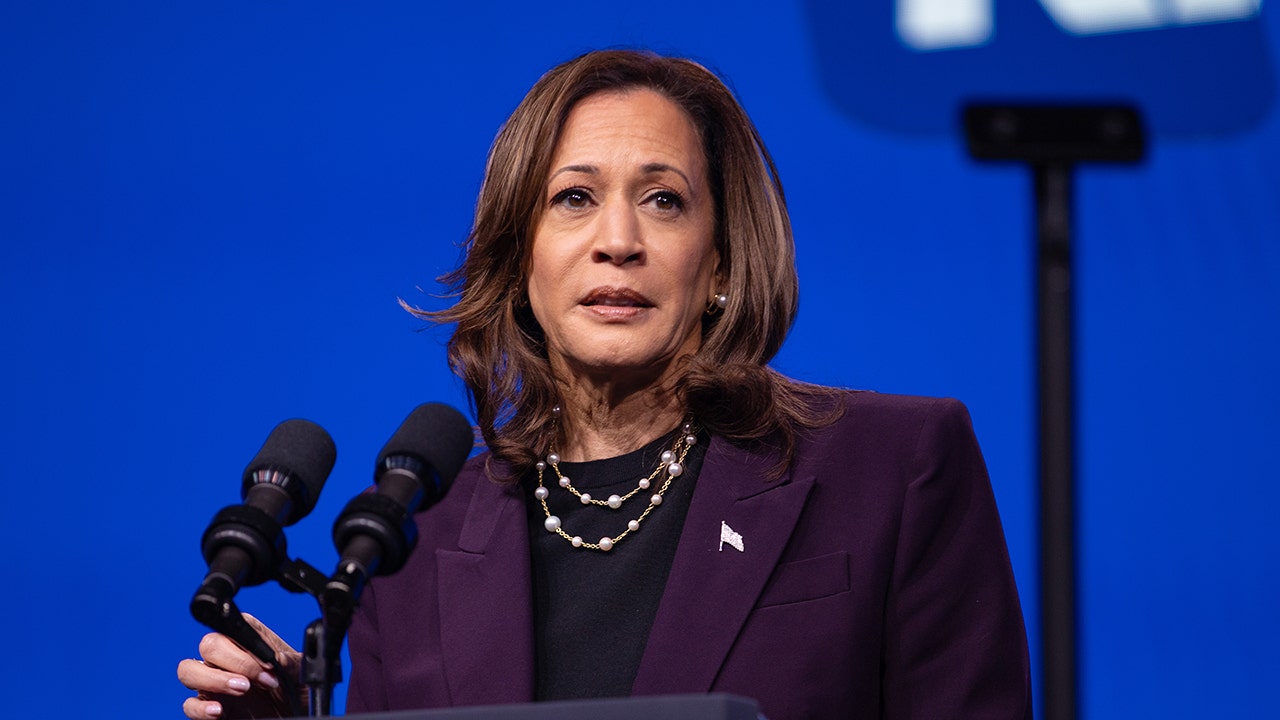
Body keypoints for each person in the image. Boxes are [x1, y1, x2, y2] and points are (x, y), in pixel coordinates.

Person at [178, 49, 1032, 719]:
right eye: (574, 198)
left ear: (721, 262)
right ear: (520, 259)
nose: (617, 240)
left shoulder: (891, 469)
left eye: (663, 201)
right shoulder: (409, 544)